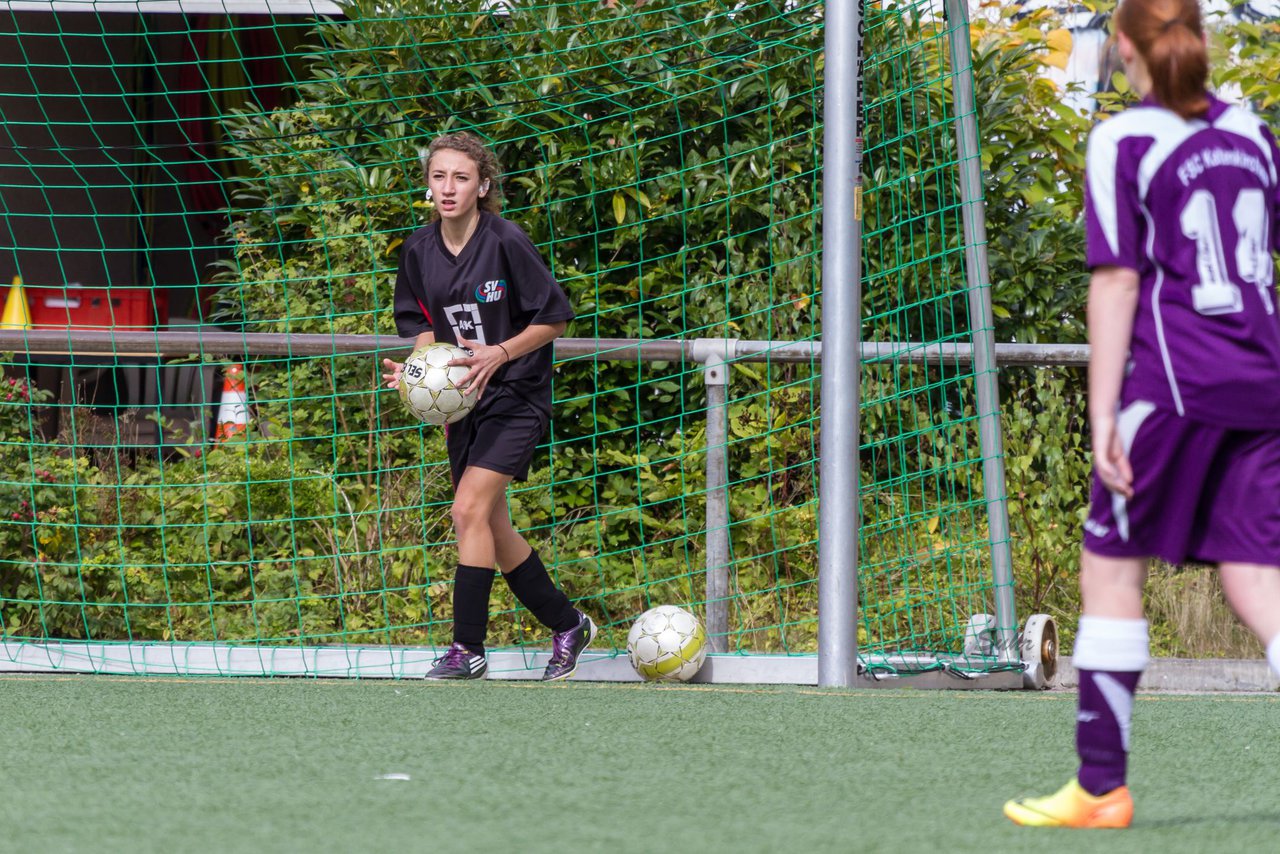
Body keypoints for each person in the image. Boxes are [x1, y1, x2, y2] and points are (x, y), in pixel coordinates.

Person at [1004, 0, 1280, 829]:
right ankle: (1099, 787)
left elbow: (1118, 280)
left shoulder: (1122, 139)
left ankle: (1099, 787)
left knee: (1112, 565)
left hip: (1175, 387)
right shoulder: (1254, 133)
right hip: (1263, 382)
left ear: (1121, 46)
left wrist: (1103, 416)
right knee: (1256, 573)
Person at [382, 131, 595, 681]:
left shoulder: (506, 241)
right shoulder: (418, 251)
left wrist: (499, 354)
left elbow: (553, 319)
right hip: (463, 407)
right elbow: (422, 329)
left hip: (517, 394)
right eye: (439, 176)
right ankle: (568, 623)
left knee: (466, 511)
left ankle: (467, 648)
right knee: (491, 528)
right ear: (427, 185)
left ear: (482, 186)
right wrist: (417, 379)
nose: (448, 188)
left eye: (461, 177)